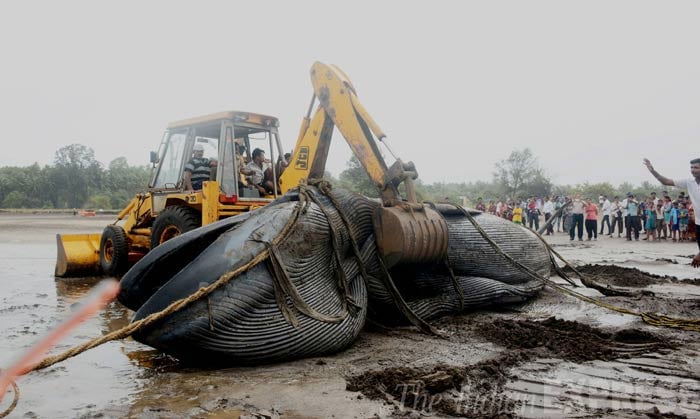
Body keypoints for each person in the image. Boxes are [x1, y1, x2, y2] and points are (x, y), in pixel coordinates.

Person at [644, 157, 700, 268]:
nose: (693, 170)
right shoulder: (689, 182)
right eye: (691, 167)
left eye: (696, 168)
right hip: (698, 222)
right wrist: (652, 170)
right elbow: (665, 181)